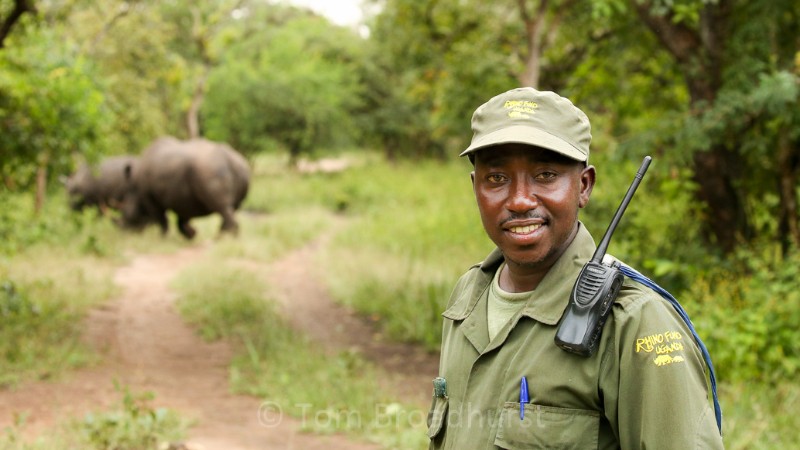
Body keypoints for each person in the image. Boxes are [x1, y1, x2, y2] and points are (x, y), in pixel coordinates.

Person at [427, 87, 724, 449]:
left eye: (546, 175)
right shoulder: (468, 295)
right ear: (476, 188)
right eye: (496, 178)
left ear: (583, 187)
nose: (520, 200)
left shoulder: (631, 321)